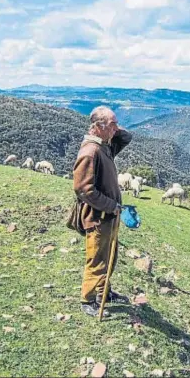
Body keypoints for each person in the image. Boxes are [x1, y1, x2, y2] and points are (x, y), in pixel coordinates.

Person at [73, 106, 132, 317]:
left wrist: (113, 126)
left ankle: (103, 292)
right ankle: (87, 300)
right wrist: (111, 206)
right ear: (98, 127)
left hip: (110, 216)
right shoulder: (91, 152)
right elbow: (84, 190)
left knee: (110, 257)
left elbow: (127, 137)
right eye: (112, 125)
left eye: (116, 124)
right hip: (98, 217)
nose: (116, 129)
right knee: (97, 259)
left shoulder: (105, 146)